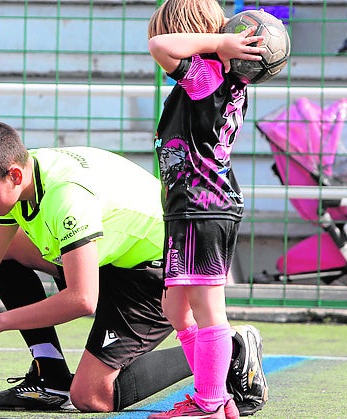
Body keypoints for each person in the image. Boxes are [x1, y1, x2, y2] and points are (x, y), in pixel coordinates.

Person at [0, 120, 266, 414]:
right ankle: (50, 376)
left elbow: (82, 299)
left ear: (14, 174)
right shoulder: (21, 176)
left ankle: (230, 348)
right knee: (5, 254)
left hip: (156, 272)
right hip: (110, 254)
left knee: (91, 397)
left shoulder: (66, 196)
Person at [147, 0, 269, 417]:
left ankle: (210, 402)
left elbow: (160, 45)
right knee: (174, 308)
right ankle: (218, 391)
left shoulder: (205, 75)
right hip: (192, 206)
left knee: (206, 306)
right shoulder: (221, 78)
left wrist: (217, 41)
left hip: (202, 206)